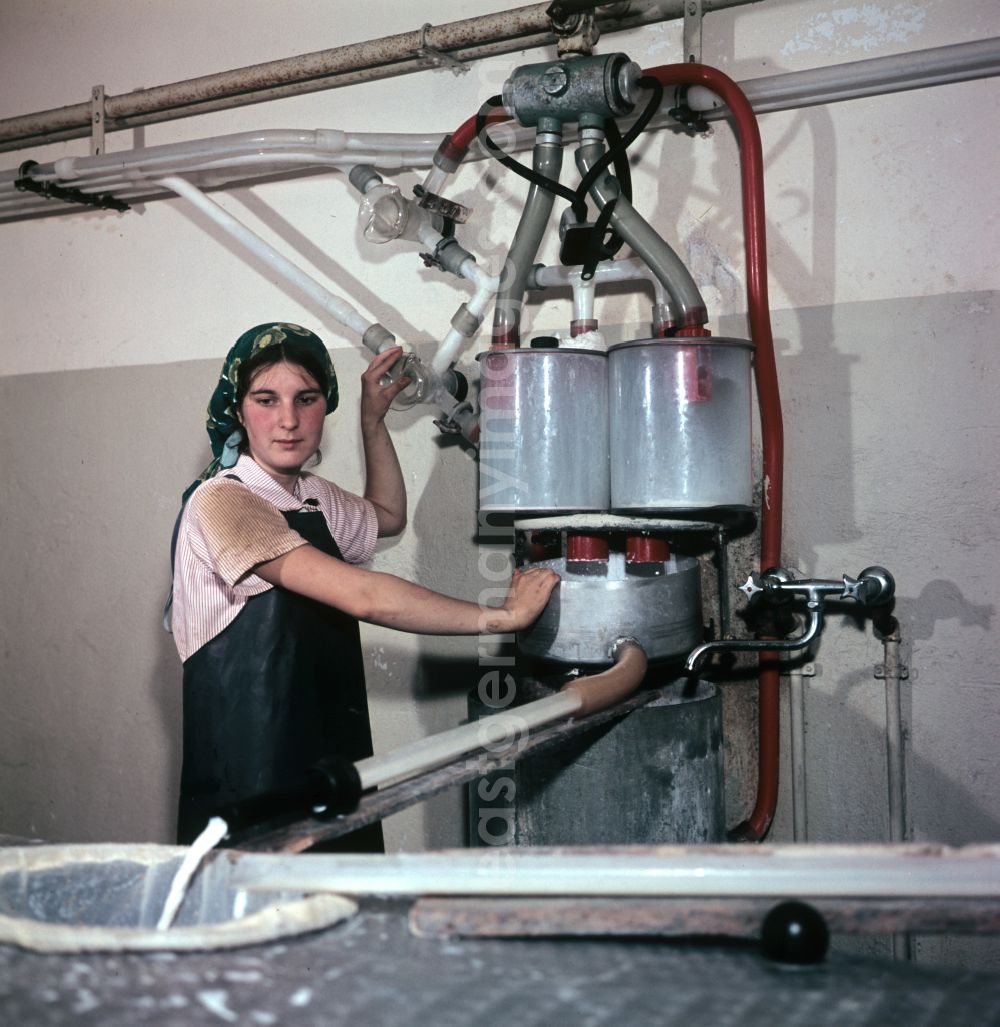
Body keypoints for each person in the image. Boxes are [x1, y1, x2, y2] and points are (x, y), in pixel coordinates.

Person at [170, 322, 558, 847]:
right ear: (239, 410)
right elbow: (364, 596)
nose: (288, 420)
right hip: (249, 783)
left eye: (305, 399)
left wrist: (372, 422)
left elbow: (388, 515)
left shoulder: (311, 497)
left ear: (322, 406)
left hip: (332, 762)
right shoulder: (224, 501)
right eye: (266, 399)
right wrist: (502, 617)